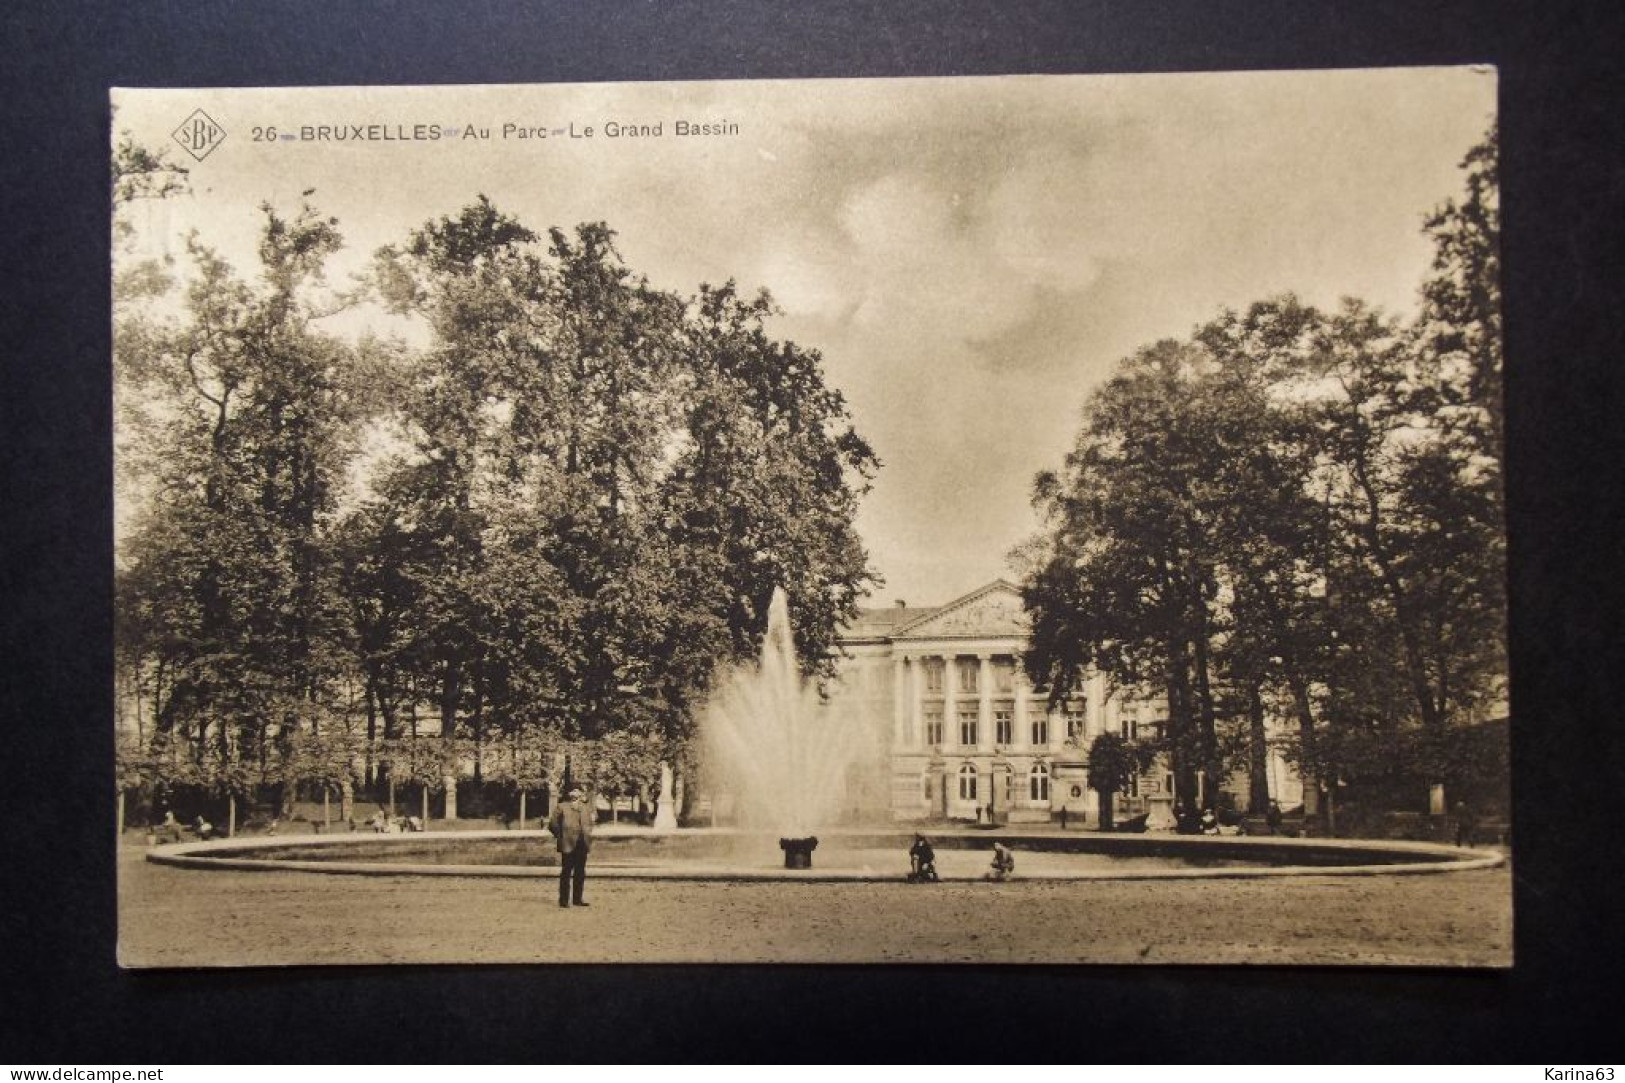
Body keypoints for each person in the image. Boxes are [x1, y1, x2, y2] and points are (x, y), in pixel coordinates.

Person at [549, 783, 595, 908]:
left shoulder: (585, 807)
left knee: (580, 872)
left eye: (577, 791)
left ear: (580, 794)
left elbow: (590, 823)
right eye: (573, 791)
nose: (575, 793)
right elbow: (552, 824)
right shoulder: (561, 807)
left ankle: (577, 899)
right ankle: (563, 900)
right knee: (566, 872)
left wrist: (587, 834)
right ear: (569, 794)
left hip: (582, 843)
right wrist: (561, 836)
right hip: (567, 843)